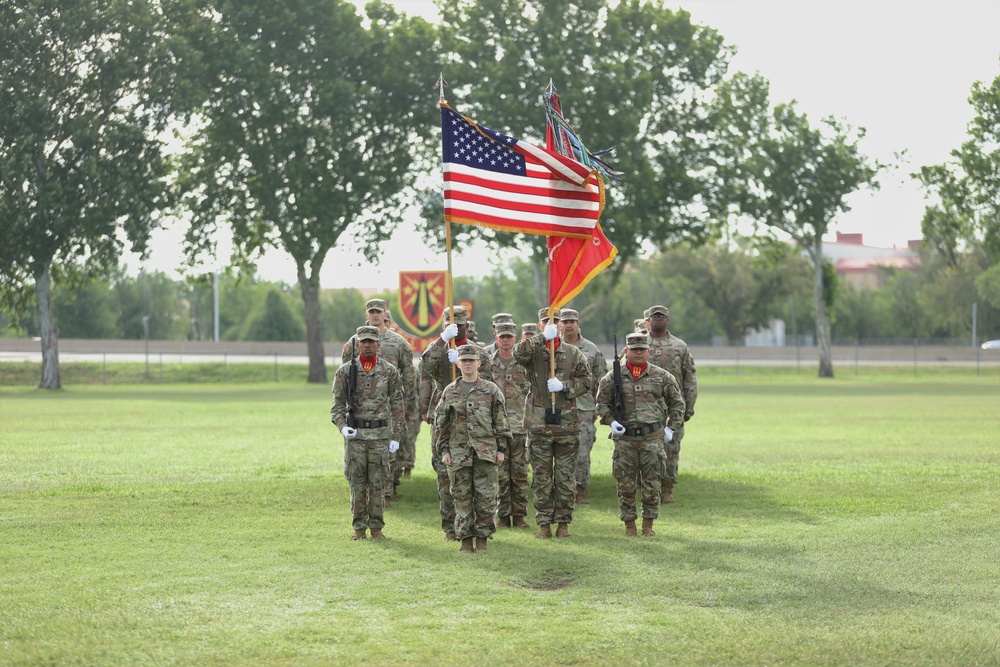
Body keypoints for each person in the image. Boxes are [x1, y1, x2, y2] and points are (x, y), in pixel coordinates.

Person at [596, 332, 684, 537]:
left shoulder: (662, 376)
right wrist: (611, 421)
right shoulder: (612, 377)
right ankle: (629, 525)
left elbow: (677, 404)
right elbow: (601, 403)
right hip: (625, 439)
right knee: (625, 484)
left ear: (648, 351)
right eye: (633, 350)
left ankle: (648, 525)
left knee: (652, 483)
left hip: (652, 438)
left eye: (641, 350)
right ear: (626, 351)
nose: (637, 353)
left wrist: (671, 428)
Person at [513, 312, 593, 539]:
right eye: (548, 322)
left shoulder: (573, 353)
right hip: (539, 425)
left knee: (565, 477)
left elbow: (587, 381)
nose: (554, 325)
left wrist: (565, 386)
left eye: (556, 321)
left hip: (567, 426)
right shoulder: (534, 350)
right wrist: (541, 337)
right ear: (540, 324)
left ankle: (563, 523)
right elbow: (518, 353)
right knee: (541, 478)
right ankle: (544, 523)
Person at [420, 305, 494, 540]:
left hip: (472, 419)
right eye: (453, 324)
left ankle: (474, 527)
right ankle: (450, 527)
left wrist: (462, 365)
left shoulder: (477, 352)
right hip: (445, 417)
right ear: (445, 325)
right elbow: (425, 366)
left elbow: (490, 380)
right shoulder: (440, 347)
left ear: (467, 324)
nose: (458, 327)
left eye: (462, 324)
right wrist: (442, 341)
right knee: (444, 473)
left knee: (473, 476)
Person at [436, 344, 512, 553]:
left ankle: (483, 539)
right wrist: (444, 451)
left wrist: (500, 449)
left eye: (472, 360)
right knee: (461, 497)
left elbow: (501, 422)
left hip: (485, 452)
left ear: (479, 363)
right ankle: (466, 540)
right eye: (464, 360)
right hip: (458, 453)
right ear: (458, 363)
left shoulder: (491, 390)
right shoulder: (450, 391)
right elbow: (441, 424)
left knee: (486, 497)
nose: (468, 364)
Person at [331, 325, 405, 540]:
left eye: (372, 341)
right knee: (357, 482)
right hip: (356, 437)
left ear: (378, 344)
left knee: (378, 483)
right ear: (358, 344)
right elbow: (337, 406)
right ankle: (359, 528)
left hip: (380, 436)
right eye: (364, 341)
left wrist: (396, 437)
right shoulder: (345, 371)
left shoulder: (390, 371)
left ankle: (377, 527)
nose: (368, 345)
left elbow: (398, 407)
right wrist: (343, 427)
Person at [342, 299, 417, 504]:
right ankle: (364, 493)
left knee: (388, 450)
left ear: (386, 314)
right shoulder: (354, 343)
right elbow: (345, 374)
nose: (375, 315)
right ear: (366, 315)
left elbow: (409, 376)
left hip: (388, 405)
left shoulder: (399, 343)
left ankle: (387, 490)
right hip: (360, 408)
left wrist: (407, 405)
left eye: (378, 312)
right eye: (371, 312)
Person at [643, 305, 698, 503]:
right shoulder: (639, 343)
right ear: (648, 321)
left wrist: (688, 407)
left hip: (672, 407)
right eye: (654, 317)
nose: (658, 319)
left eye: (662, 317)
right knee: (644, 449)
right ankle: (648, 487)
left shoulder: (679, 346)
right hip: (643, 406)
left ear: (668, 320)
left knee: (671, 449)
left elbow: (689, 378)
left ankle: (667, 489)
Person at [557, 308, 606, 505]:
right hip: (557, 408)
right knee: (558, 452)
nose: (569, 325)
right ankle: (560, 491)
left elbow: (602, 381)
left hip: (583, 409)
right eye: (565, 321)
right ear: (559, 325)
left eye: (572, 321)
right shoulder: (551, 348)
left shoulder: (591, 349)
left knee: (582, 452)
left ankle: (581, 491)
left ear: (578, 325)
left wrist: (598, 408)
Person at [489, 322, 531, 529]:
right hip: (497, 429)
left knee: (520, 474)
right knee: (501, 475)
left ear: (516, 339)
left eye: (509, 337)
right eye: (501, 336)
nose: (505, 340)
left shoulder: (525, 363)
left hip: (521, 428)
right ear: (496, 338)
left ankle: (520, 515)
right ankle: (503, 516)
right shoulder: (487, 364)